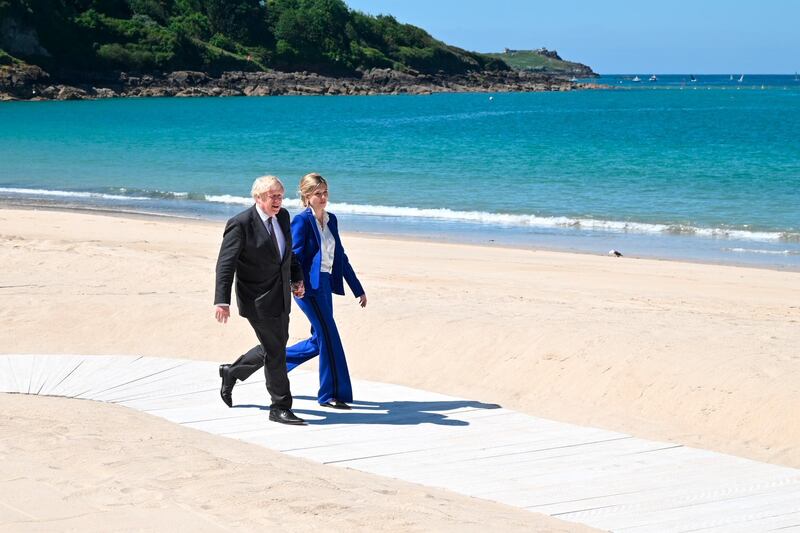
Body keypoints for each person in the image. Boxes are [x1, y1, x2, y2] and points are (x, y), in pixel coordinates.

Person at [214, 175, 306, 425]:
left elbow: (288, 254)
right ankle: (279, 406)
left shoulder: (284, 217)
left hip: (281, 296)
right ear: (258, 198)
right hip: (256, 299)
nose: (278, 201)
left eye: (280, 196)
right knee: (276, 350)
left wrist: (297, 279)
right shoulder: (240, 224)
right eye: (273, 196)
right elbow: (225, 264)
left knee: (274, 346)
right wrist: (221, 300)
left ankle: (232, 372)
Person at [285, 173, 367, 410]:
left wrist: (356, 287)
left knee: (319, 340)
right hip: (306, 287)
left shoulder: (332, 220)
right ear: (306, 196)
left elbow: (340, 255)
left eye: (325, 193)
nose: (322, 197)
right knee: (330, 337)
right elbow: (295, 256)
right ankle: (330, 395)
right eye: (317, 193)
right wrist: (295, 284)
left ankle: (275, 361)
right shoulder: (301, 221)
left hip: (325, 285)